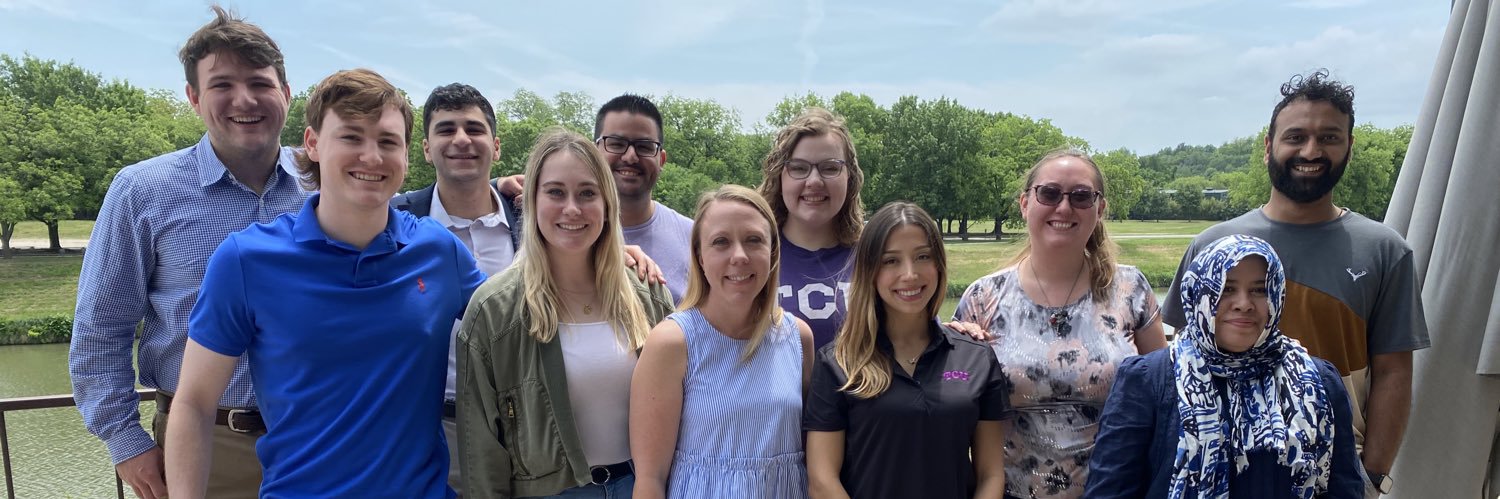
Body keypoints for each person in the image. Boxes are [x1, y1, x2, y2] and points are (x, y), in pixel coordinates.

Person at [165, 68, 483, 498]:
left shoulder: (439, 252)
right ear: (312, 144)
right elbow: (194, 403)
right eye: (351, 137)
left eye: (388, 141)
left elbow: (519, 318)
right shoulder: (246, 260)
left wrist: (543, 205)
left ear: (408, 156)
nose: (372, 156)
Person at [1162, 71, 1429, 498]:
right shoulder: (1213, 245)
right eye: (1296, 137)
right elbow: (1180, 359)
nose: (1311, 151)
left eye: (1329, 137)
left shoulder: (1384, 251)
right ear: (1269, 146)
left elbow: (1393, 372)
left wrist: (1373, 475)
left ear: (1349, 147)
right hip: (1217, 466)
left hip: (1335, 472)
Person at [69, 6, 297, 498]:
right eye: (222, 85)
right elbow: (100, 326)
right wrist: (125, 441)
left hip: (320, 442)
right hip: (202, 446)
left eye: (260, 83)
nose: (244, 99)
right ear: (194, 97)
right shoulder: (141, 191)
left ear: (286, 92)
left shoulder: (327, 184)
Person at [456, 127, 675, 498]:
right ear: (532, 200)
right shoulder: (493, 311)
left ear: (607, 204)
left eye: (587, 193)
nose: (572, 209)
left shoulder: (648, 293)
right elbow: (481, 451)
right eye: (556, 192)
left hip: (644, 486)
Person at [952, 148, 1168, 498]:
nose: (1064, 208)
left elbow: (1164, 393)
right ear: (1025, 204)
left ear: (1100, 209)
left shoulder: (1131, 289)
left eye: (1081, 196)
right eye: (1049, 193)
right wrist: (952, 345)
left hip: (1116, 491)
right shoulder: (983, 297)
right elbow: (955, 402)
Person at [1087, 234, 1362, 498]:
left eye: (1259, 290)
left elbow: (1343, 488)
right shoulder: (1148, 381)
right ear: (1199, 293)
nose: (1244, 304)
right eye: (1226, 288)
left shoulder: (1317, 381)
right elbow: (1110, 490)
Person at [804, 201, 1009, 499]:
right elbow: (822, 480)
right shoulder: (837, 363)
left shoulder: (976, 357)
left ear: (938, 264)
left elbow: (990, 475)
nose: (910, 274)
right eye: (891, 261)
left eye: (923, 256)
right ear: (870, 271)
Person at [631, 184, 815, 499]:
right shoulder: (673, 343)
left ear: (772, 252)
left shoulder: (798, 338)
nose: (739, 256)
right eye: (721, 242)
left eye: (754, 240)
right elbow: (650, 480)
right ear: (700, 257)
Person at [756, 107, 865, 350]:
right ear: (779, 176)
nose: (814, 181)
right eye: (798, 168)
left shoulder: (875, 255)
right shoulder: (752, 257)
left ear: (849, 176)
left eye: (830, 167)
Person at [595, 94, 694, 303]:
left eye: (644, 146)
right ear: (594, 153)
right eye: (616, 143)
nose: (630, 156)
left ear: (662, 159)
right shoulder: (563, 234)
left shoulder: (695, 238)